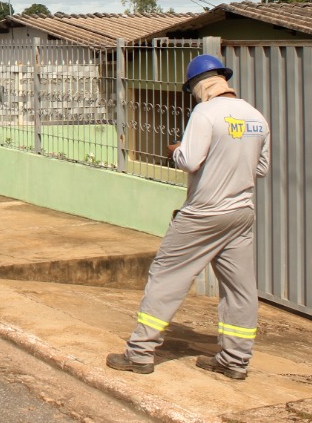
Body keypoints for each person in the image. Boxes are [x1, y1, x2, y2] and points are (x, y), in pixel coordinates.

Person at [106, 53, 271, 380]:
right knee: (240, 290)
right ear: (223, 79)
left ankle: (140, 353)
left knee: (166, 276)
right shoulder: (256, 117)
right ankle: (235, 361)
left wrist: (176, 150)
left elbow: (191, 161)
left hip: (203, 214)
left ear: (199, 86)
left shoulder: (205, 113)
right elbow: (261, 168)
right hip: (241, 214)